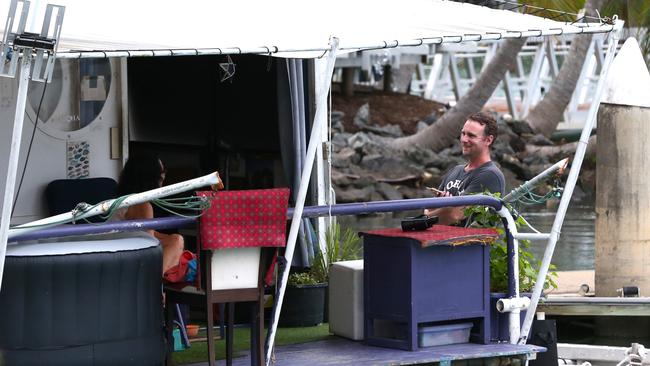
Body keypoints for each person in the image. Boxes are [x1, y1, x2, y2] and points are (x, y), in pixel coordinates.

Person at [425, 111, 505, 225]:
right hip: (439, 240)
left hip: (469, 242)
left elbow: (453, 215)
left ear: (488, 140)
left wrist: (431, 215)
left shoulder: (490, 175)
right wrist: (441, 209)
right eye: (463, 133)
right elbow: (429, 209)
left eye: (471, 135)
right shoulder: (455, 170)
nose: (464, 139)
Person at [115, 153, 185, 275]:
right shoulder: (141, 204)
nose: (163, 177)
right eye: (161, 173)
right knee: (175, 242)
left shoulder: (124, 199)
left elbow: (141, 234)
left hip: (120, 248)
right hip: (119, 253)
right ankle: (153, 286)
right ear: (151, 177)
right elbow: (150, 246)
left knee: (176, 240)